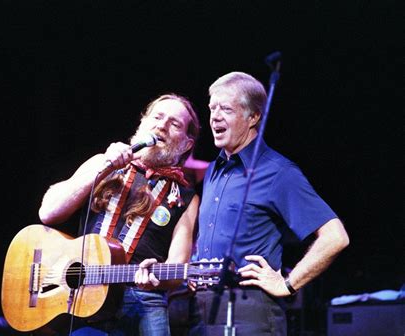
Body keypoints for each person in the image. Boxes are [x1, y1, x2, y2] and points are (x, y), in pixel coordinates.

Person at [194, 72, 350, 334]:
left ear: (253, 117)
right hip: (202, 310)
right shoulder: (213, 170)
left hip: (251, 312)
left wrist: (287, 284)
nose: (215, 117)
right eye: (212, 108)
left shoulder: (278, 172)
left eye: (226, 109)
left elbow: (336, 237)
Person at [38, 93, 200, 336]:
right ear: (143, 122)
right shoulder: (104, 163)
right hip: (84, 297)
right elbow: (48, 213)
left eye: (174, 123)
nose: (162, 125)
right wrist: (104, 167)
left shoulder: (185, 196)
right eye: (157, 117)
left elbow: (178, 268)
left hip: (142, 299)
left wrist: (157, 276)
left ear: (187, 144)